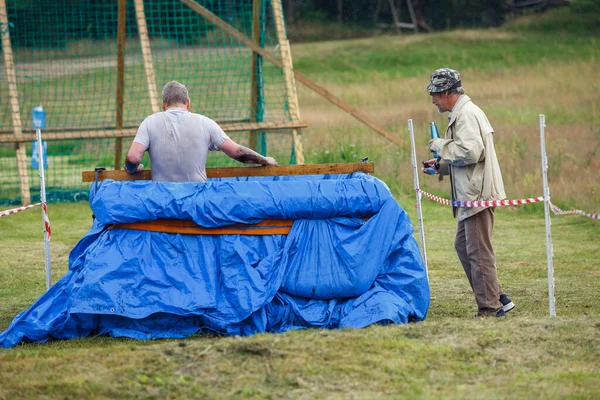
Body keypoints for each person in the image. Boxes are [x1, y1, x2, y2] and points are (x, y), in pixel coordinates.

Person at [422, 68, 515, 318]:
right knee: (464, 247)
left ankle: (490, 308)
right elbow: (467, 155)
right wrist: (440, 165)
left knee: (477, 251)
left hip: (477, 194)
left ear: (446, 92)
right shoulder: (462, 113)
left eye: (434, 95)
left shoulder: (466, 115)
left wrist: (440, 146)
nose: (433, 100)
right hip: (472, 192)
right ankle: (497, 298)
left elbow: (471, 153)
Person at [125, 80, 277, 181]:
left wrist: (132, 169)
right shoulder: (205, 123)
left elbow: (133, 158)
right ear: (188, 103)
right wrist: (265, 160)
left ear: (163, 105)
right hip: (196, 201)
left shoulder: (150, 122)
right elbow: (238, 152)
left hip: (162, 201)